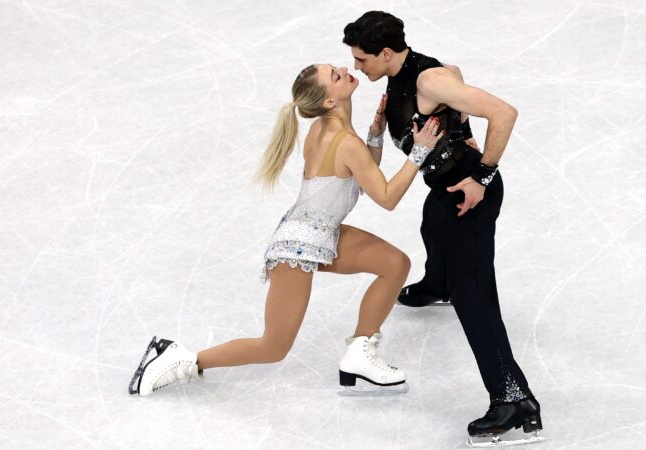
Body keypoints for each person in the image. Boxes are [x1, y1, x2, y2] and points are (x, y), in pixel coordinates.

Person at [128, 63, 443, 397]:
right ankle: (179, 359)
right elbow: (387, 197)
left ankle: (359, 353)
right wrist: (418, 152)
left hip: (322, 234)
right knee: (273, 346)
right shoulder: (344, 142)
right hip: (297, 246)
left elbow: (361, 174)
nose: (343, 69)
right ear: (328, 103)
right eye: (335, 77)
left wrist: (375, 136)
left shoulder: (324, 130)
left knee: (394, 264)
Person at [342, 11, 545, 446]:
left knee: (477, 300)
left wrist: (482, 175)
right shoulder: (411, 73)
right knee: (431, 226)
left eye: (362, 60)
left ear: (386, 53)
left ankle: (514, 399)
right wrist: (456, 127)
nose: (358, 68)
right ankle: (439, 283)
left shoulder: (428, 81)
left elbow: (505, 112)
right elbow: (456, 76)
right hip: (444, 188)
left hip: (469, 194)